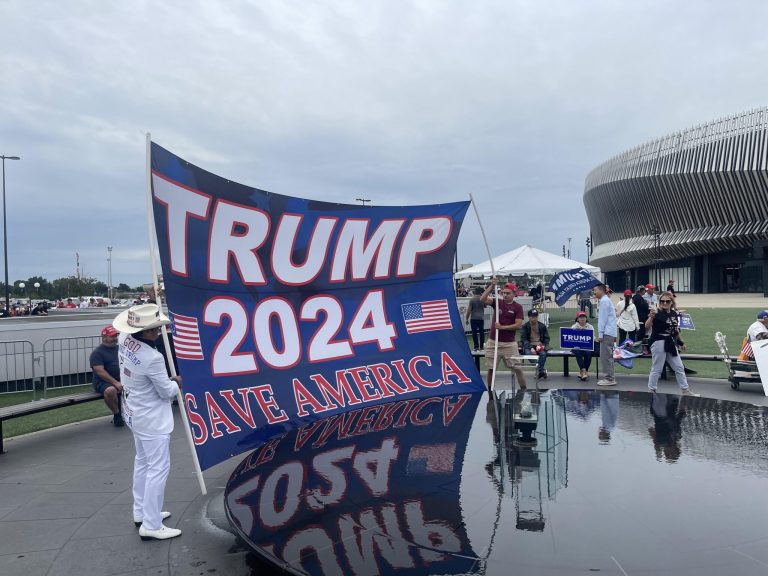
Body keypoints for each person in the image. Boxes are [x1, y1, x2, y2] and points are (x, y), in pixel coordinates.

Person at [114, 303, 183, 541]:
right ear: (148, 332)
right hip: (151, 418)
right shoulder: (152, 357)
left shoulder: (124, 338)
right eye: (155, 329)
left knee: (143, 463)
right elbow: (166, 392)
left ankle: (142, 512)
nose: (158, 332)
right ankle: (151, 524)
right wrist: (177, 382)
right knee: (157, 469)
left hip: (134, 411)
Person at [645, 291, 696, 395]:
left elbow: (675, 330)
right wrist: (651, 317)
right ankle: (651, 390)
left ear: (671, 302)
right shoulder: (656, 312)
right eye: (662, 301)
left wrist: (681, 343)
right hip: (658, 341)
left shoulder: (673, 313)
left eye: (667, 301)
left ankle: (685, 390)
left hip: (670, 342)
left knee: (679, 367)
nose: (664, 303)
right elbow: (646, 326)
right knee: (657, 368)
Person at [481, 279, 526, 391]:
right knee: (491, 369)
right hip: (493, 342)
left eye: (508, 293)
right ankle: (490, 392)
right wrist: (492, 286)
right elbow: (482, 299)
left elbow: (518, 325)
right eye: (503, 293)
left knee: (518, 368)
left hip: (509, 344)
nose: (505, 295)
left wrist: (502, 327)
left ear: (514, 294)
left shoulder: (518, 307)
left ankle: (524, 390)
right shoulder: (497, 302)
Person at [90, 325, 124, 426]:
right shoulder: (97, 353)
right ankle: (117, 415)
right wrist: (115, 382)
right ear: (104, 338)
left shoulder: (120, 349)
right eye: (112, 336)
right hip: (102, 382)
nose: (115, 338)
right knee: (111, 390)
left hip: (120, 379)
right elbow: (100, 371)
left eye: (115, 336)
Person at [594, 283, 617, 386]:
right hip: (610, 332)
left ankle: (610, 378)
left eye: (595, 290)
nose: (594, 292)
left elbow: (603, 319)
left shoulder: (604, 301)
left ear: (601, 290)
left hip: (607, 332)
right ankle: (610, 377)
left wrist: (600, 334)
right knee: (608, 356)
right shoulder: (606, 300)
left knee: (605, 356)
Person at [519, 308, 550, 379]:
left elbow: (547, 338)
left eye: (536, 316)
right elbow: (523, 339)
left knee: (543, 354)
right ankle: (541, 370)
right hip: (529, 345)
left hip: (539, 344)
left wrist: (543, 345)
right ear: (529, 317)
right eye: (532, 316)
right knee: (528, 354)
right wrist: (531, 347)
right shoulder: (525, 326)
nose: (534, 318)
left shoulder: (542, 326)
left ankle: (540, 371)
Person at [570, 311, 594, 381]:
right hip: (576, 346)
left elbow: (593, 338)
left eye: (584, 317)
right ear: (577, 319)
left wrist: (585, 331)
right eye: (580, 317)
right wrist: (577, 331)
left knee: (588, 352)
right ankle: (584, 371)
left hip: (586, 346)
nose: (582, 319)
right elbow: (570, 338)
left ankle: (583, 372)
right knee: (577, 351)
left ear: (586, 318)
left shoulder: (590, 327)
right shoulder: (574, 327)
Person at [465, 287, 486, 351]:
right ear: (480, 292)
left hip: (473, 318)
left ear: (475, 292)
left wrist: (466, 318)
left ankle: (476, 347)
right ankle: (482, 347)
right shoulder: (483, 298)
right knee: (482, 332)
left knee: (474, 333)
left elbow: (469, 310)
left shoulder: (472, 299)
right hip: (481, 318)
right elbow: (485, 306)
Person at [632, 285, 650, 354]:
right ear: (642, 291)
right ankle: (638, 348)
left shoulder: (636, 297)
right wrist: (646, 303)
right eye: (644, 290)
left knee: (640, 333)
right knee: (641, 334)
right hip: (641, 318)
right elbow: (643, 307)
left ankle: (640, 348)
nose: (645, 291)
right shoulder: (638, 298)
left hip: (640, 317)